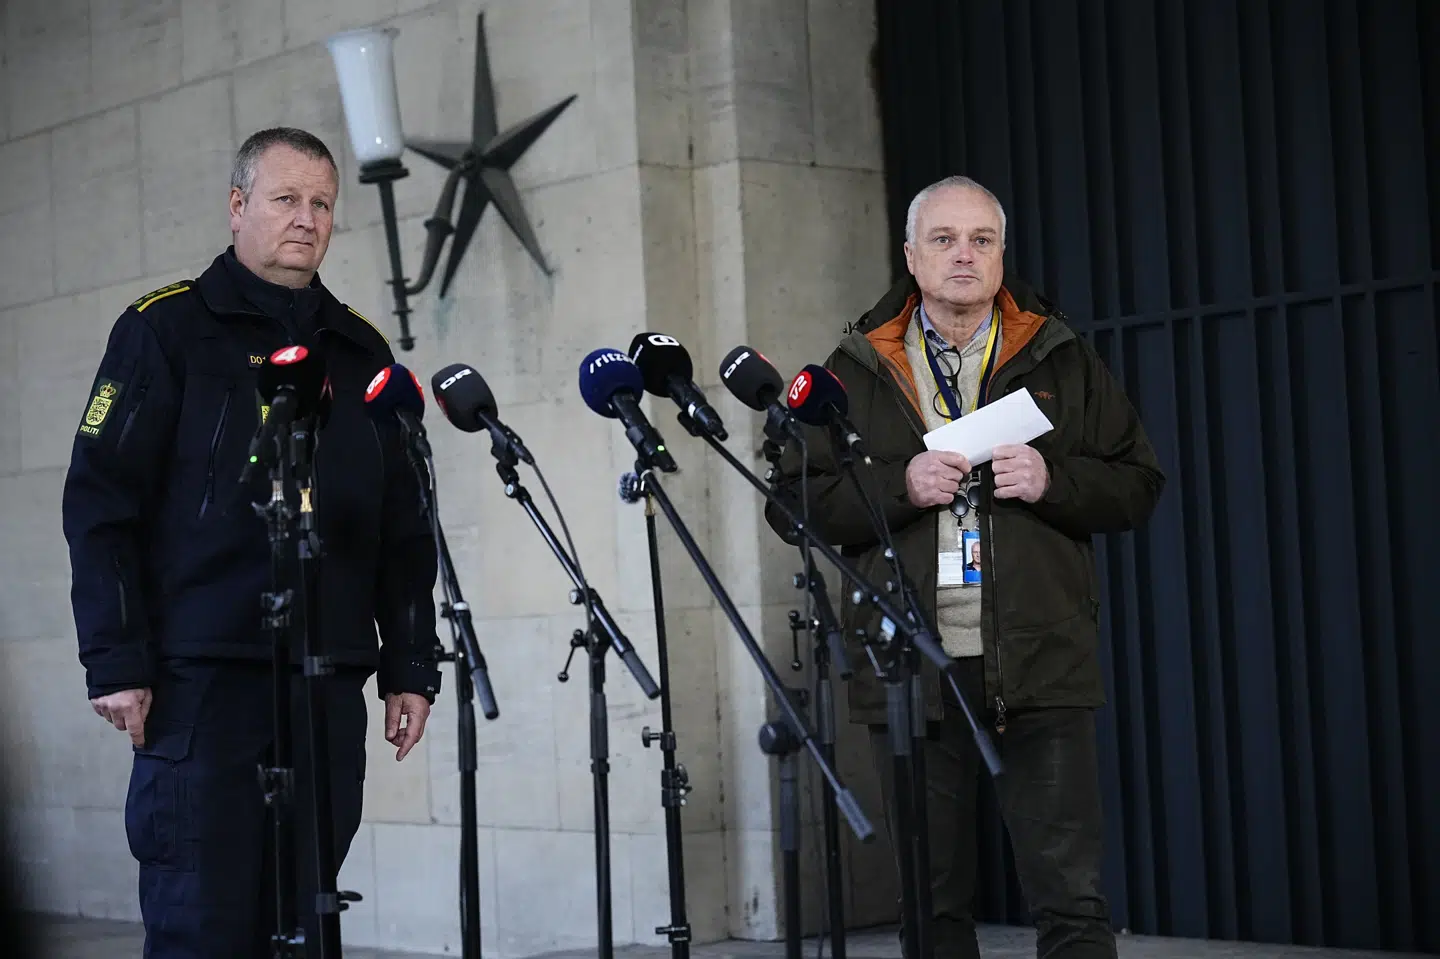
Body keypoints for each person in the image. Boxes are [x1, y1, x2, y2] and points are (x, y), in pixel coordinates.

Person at [61, 127, 442, 956]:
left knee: (309, 926)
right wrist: (116, 657)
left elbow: (407, 524)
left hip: (328, 683)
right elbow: (99, 501)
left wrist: (411, 661)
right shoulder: (164, 331)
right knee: (206, 925)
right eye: (285, 199)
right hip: (203, 685)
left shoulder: (361, 349)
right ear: (238, 207)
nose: (306, 219)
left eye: (322, 204)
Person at [768, 175, 1165, 959]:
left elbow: (1139, 481)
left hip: (1041, 664)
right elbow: (790, 500)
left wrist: (1055, 480)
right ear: (911, 256)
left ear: (1001, 254)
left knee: (1074, 905)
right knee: (932, 907)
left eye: (982, 240)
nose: (964, 255)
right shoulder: (854, 367)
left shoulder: (1060, 355)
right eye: (945, 240)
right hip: (912, 666)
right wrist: (898, 485)